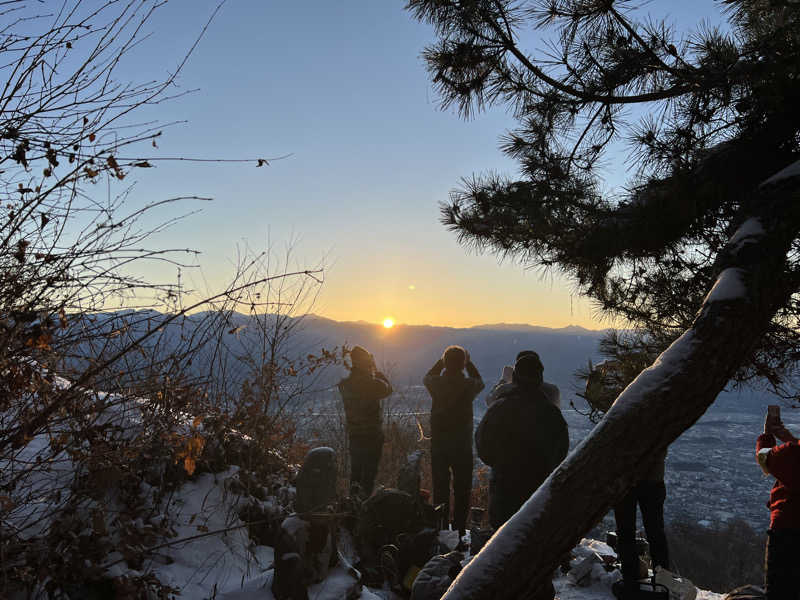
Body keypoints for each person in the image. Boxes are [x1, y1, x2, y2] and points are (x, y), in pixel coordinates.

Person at [475, 352, 567, 600]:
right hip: (539, 498)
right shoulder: (551, 414)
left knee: (502, 556)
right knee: (537, 557)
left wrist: (504, 464)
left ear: (514, 378)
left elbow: (483, 448)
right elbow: (561, 456)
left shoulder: (499, 409)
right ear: (540, 379)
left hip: (504, 493)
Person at [423, 345, 484, 544]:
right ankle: (458, 532)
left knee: (440, 488)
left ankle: (441, 531)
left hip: (440, 445)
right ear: (463, 364)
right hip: (462, 446)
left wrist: (441, 361)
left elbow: (427, 376)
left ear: (445, 363)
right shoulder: (468, 385)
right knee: (462, 489)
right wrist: (469, 362)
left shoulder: (437, 384)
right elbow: (480, 381)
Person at [612, 449, 670, 597]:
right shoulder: (657, 426)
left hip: (626, 480)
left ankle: (630, 582)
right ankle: (663, 583)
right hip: (652, 479)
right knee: (656, 533)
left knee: (626, 534)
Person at [756, 408, 800, 600]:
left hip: (789, 530)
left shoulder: (794, 455)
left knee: (780, 591)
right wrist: (788, 438)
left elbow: (766, 457)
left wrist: (766, 435)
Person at [338, 345, 392, 497]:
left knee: (355, 474)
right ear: (366, 363)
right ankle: (363, 509)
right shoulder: (372, 384)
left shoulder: (344, 385)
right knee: (368, 476)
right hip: (372, 436)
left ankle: (352, 508)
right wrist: (376, 371)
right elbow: (388, 389)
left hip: (355, 435)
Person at [486, 349, 561, 408]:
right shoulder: (553, 390)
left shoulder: (504, 390)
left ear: (517, 369)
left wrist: (503, 380)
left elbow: (489, 401)